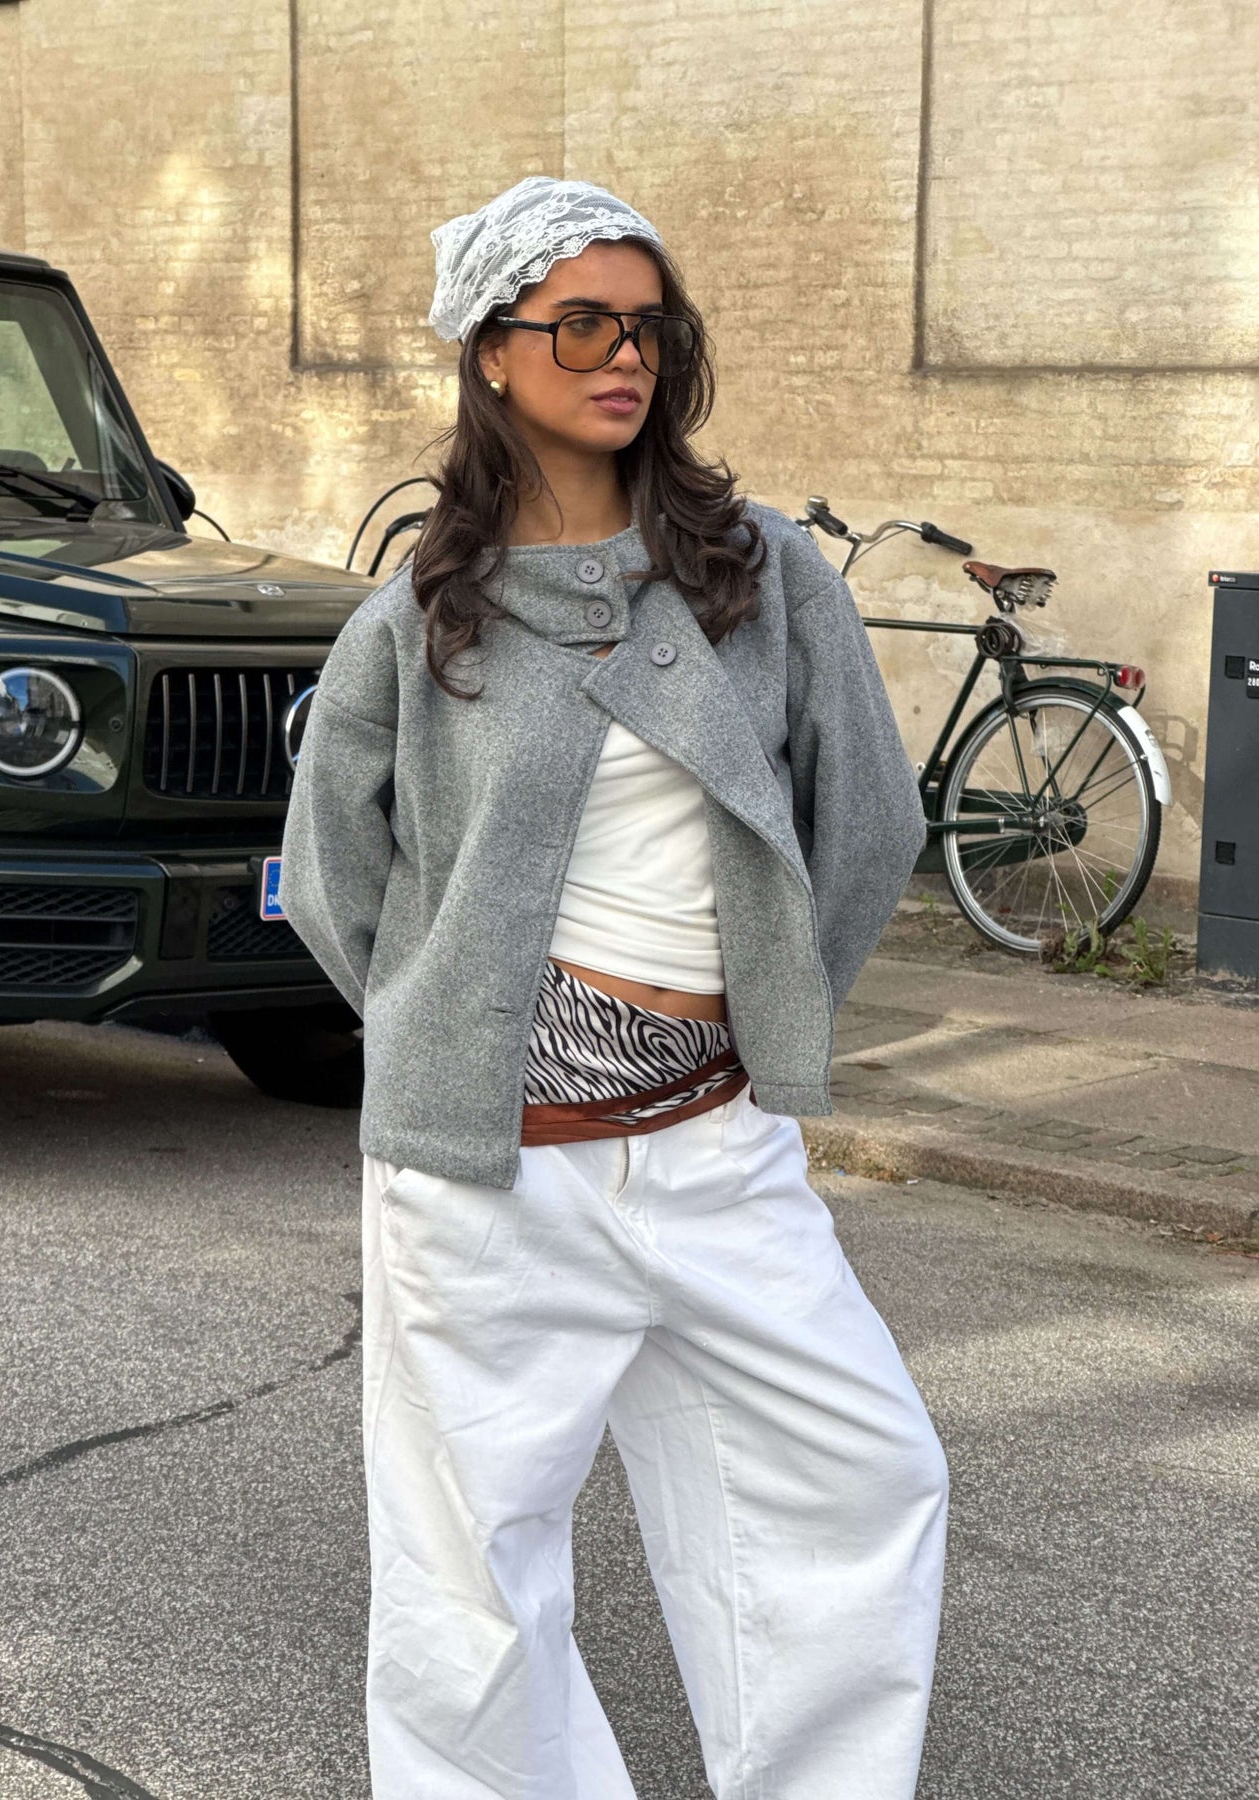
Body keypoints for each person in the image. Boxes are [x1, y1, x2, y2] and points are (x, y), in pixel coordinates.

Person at [280, 174, 948, 1800]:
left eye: (645, 325)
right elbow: (336, 877)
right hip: (488, 1173)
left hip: (720, 1143)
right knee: (470, 1569)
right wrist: (456, 1034)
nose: (623, 355)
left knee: (856, 1483)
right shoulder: (417, 619)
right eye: (578, 323)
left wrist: (764, 1014)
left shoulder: (763, 576)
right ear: (490, 351)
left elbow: (867, 824)